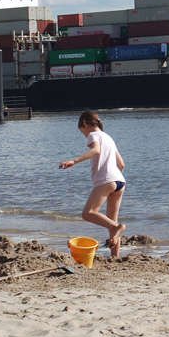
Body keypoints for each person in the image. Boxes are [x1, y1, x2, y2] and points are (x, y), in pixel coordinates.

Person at [59, 110, 127, 257]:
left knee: (88, 213)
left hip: (106, 180)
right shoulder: (108, 137)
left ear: (85, 125)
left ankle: (117, 228)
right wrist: (114, 176)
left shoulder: (93, 134)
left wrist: (74, 161)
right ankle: (115, 257)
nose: (84, 136)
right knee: (111, 222)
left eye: (82, 132)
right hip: (120, 181)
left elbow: (96, 150)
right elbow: (121, 164)